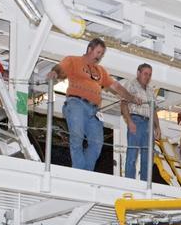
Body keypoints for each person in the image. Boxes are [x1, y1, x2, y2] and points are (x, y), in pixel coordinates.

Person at [50, 38, 139, 172]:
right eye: (98, 52)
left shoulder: (101, 71)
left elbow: (116, 86)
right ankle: (79, 171)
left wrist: (131, 98)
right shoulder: (73, 60)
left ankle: (86, 172)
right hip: (76, 103)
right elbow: (60, 68)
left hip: (94, 110)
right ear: (89, 49)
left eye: (102, 54)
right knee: (77, 136)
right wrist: (54, 72)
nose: (99, 56)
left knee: (97, 143)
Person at [119, 63, 159, 181]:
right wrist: (129, 122)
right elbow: (123, 104)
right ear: (138, 73)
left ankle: (145, 183)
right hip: (135, 120)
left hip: (149, 124)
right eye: (145, 73)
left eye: (150, 74)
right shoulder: (130, 84)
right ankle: (129, 182)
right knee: (132, 154)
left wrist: (157, 127)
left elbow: (154, 110)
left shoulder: (151, 90)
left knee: (148, 157)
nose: (148, 77)